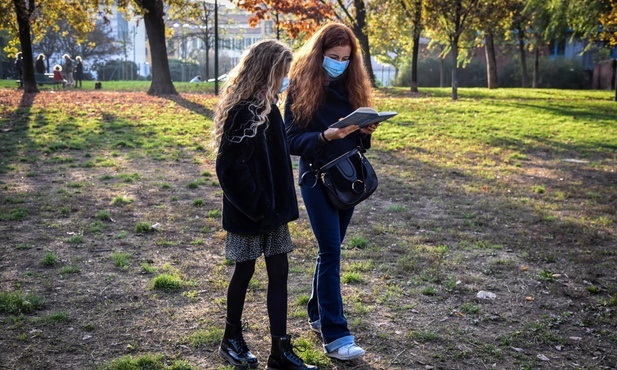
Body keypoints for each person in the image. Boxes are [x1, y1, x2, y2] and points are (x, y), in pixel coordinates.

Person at [213, 39, 316, 370]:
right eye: (283, 72)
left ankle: (279, 350)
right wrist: (258, 207)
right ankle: (231, 339)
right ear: (266, 71)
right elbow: (229, 168)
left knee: (280, 272)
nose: (286, 78)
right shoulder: (244, 111)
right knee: (244, 269)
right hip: (250, 213)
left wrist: (276, 208)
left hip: (274, 214)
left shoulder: (270, 108)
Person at [284, 22, 378, 361]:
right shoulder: (300, 84)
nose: (339, 62)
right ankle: (336, 337)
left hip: (347, 179)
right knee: (330, 252)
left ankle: (316, 311)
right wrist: (325, 137)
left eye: (345, 57)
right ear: (319, 53)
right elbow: (289, 139)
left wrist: (364, 131)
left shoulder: (353, 86)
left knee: (331, 249)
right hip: (315, 178)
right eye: (332, 56)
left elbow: (357, 143)